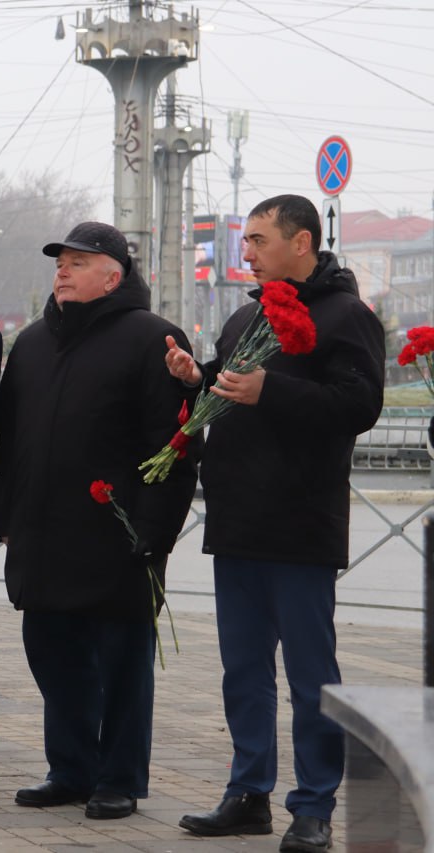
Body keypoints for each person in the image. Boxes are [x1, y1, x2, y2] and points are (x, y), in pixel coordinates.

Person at [170, 195, 385, 853]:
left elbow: (359, 403)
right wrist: (196, 377)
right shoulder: (245, 315)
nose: (249, 252)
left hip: (299, 523)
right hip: (238, 520)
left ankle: (314, 806)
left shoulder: (346, 316)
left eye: (260, 239)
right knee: (243, 669)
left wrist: (273, 390)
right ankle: (247, 792)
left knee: (310, 676)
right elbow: (231, 387)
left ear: (302, 243)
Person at [0, 222, 198, 820]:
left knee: (121, 664)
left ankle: (120, 777)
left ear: (113, 275)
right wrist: (6, 512)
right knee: (52, 653)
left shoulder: (152, 338)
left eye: (79, 262)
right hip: (41, 530)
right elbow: (10, 440)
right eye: (61, 262)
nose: (63, 270)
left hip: (117, 535)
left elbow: (177, 443)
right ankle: (71, 768)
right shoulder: (30, 343)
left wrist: (155, 533)